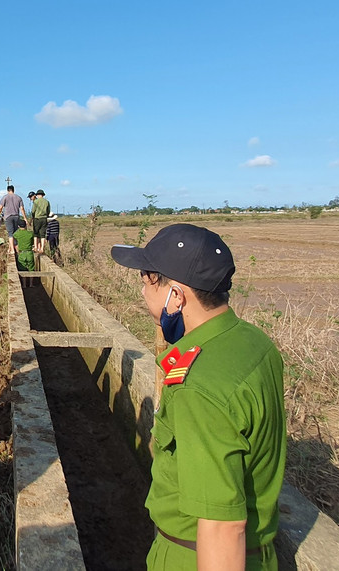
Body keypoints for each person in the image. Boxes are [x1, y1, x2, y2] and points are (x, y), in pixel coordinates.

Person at [110, 224, 286, 570]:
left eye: (147, 278)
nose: (142, 290)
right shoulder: (255, 343)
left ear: (176, 295)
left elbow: (222, 527)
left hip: (193, 556)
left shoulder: (197, 387)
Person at [31, 189, 52, 254]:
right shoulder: (47, 202)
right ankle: (42, 248)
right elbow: (48, 211)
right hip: (44, 219)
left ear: (37, 195)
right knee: (42, 234)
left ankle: (36, 247)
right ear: (43, 195)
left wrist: (33, 216)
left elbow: (33, 211)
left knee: (36, 233)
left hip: (37, 218)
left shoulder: (36, 202)